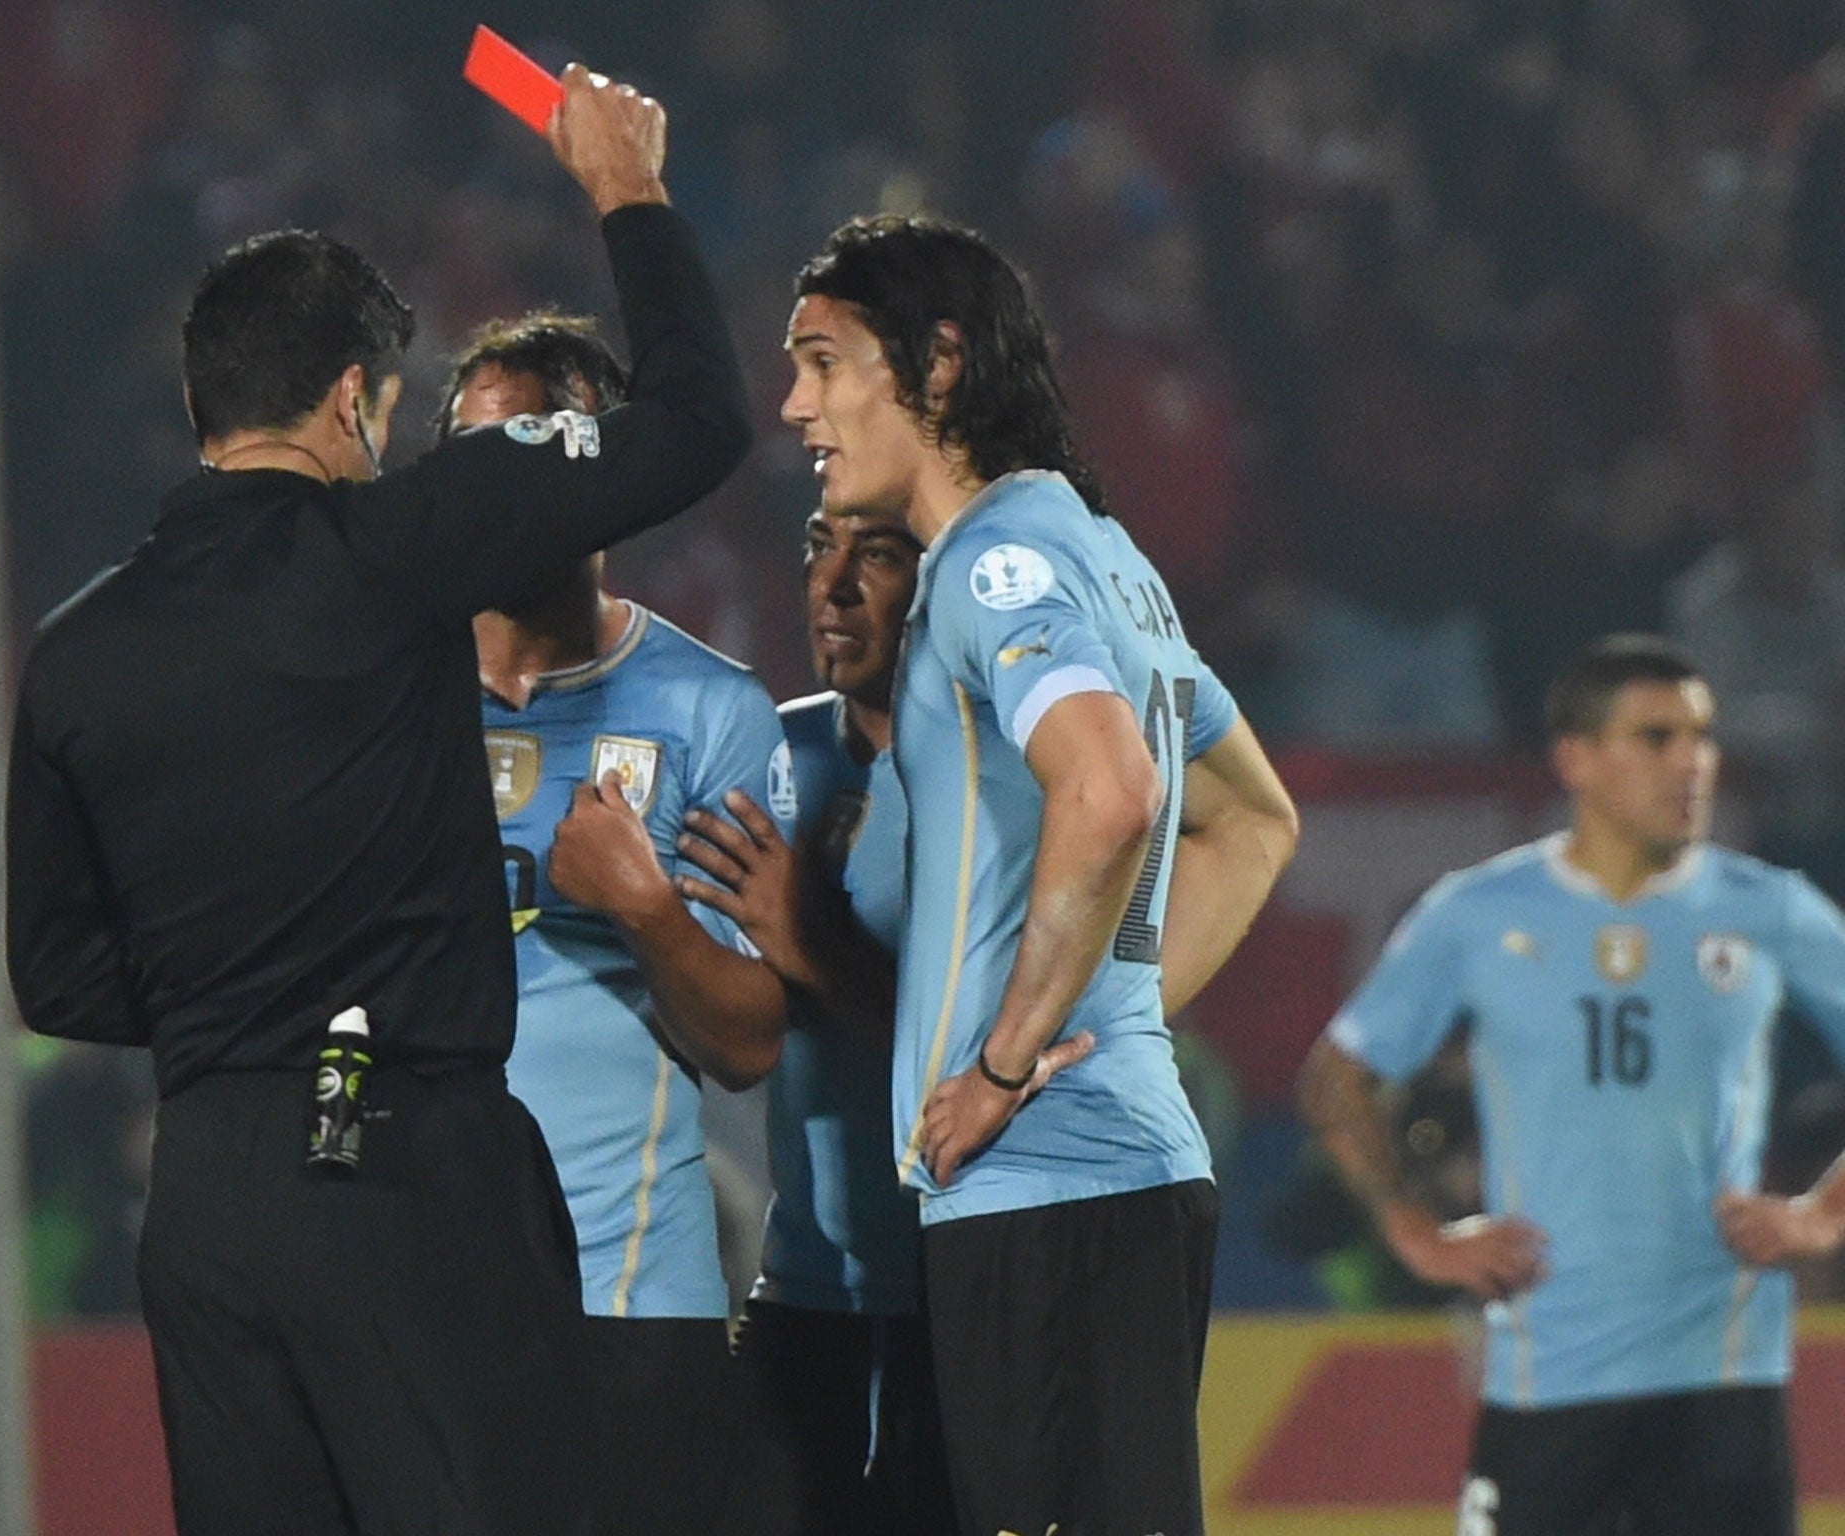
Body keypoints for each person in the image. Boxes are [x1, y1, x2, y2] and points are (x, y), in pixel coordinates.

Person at [5, 69, 751, 1536]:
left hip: (210, 1189)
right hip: (389, 1148)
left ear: (199, 400)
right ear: (353, 401)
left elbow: (58, 975)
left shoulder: (77, 649)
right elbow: (695, 421)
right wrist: (627, 190)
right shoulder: (394, 543)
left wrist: (256, 1013)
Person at [778, 214, 1299, 1536]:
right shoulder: (1107, 560)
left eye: (825, 363)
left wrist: (1012, 1060)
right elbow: (1250, 822)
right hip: (1102, 1179)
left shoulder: (995, 566)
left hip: (1053, 1192)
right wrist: (1103, 1018)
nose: (797, 406)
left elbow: (1113, 785)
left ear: (940, 366)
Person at [1298, 634, 1845, 1536]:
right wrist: (1417, 1235)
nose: (1692, 763)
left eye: (1702, 738)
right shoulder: (1478, 915)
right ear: (1577, 759)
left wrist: (1823, 1214)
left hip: (1723, 1380)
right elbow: (1337, 1078)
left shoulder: (1768, 909)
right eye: (1658, 737)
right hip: (1549, 1374)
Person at [435, 311, 790, 1534]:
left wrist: (643, 904)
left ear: (604, 476)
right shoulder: (378, 693)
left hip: (629, 1303)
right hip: (416, 1302)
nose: (490, 493)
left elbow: (746, 1043)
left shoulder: (706, 710)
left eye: (521, 453)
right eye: (465, 456)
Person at [678, 505, 957, 1534]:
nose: (830, 585)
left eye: (874, 558)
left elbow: (985, 1048)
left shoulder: (1003, 773)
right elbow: (732, 1041)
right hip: (805, 1292)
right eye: (814, 550)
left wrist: (808, 947)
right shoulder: (765, 753)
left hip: (968, 1294)